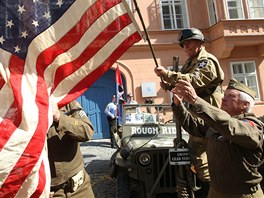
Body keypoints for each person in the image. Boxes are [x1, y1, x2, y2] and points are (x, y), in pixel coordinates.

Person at [154, 27, 225, 196]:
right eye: (183, 45)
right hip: (197, 116)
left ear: (200, 43)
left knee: (206, 162)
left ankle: (217, 191)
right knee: (197, 159)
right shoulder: (190, 63)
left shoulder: (206, 61)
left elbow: (194, 81)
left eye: (188, 43)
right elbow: (179, 80)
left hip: (209, 116)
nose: (185, 47)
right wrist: (167, 82)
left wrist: (169, 74)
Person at [171, 78, 264, 198]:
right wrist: (179, 106)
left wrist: (196, 100)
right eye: (224, 94)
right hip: (216, 191)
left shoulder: (251, 126)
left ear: (244, 105)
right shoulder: (218, 123)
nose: (223, 98)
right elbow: (193, 125)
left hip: (242, 194)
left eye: (231, 96)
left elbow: (229, 125)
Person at [48, 100, 95, 197]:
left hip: (80, 189)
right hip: (50, 192)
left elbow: (87, 131)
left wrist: (59, 117)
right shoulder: (21, 109)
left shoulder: (67, 102)